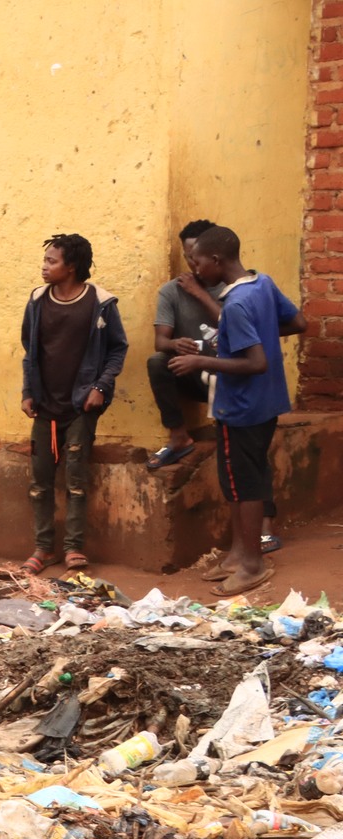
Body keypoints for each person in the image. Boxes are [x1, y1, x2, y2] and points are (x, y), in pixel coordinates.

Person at [170, 224, 305, 596]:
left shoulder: (236, 305)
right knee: (244, 479)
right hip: (269, 401)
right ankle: (237, 554)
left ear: (215, 260)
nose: (196, 270)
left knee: (243, 485)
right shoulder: (261, 283)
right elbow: (297, 322)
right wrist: (257, 337)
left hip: (241, 406)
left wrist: (201, 361)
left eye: (198, 263)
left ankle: (251, 565)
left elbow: (255, 362)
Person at [17, 233, 128, 574]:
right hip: (44, 407)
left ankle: (73, 548)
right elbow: (29, 349)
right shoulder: (37, 301)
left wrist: (100, 386)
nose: (45, 266)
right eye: (45, 259)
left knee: (76, 479)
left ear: (72, 267)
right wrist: (27, 391)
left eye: (52, 261)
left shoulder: (101, 303)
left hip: (81, 406)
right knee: (41, 482)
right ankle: (43, 547)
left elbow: (117, 349)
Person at [147, 219, 229, 471]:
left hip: (230, 373)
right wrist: (174, 344)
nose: (193, 263)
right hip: (194, 376)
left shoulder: (233, 288)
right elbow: (160, 342)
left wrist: (199, 294)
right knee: (158, 362)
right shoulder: (171, 291)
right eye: (188, 256)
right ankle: (179, 436)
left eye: (198, 256)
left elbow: (235, 328)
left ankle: (229, 432)